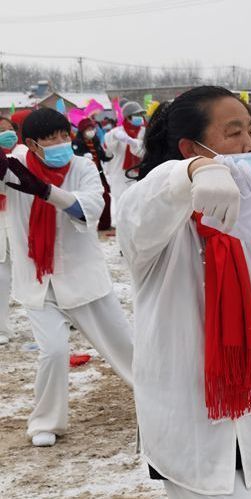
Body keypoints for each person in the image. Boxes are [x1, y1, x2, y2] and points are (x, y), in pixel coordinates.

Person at [117, 86, 251, 498]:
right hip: (190, 418)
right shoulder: (158, 217)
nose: (249, 143)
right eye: (233, 132)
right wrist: (191, 173)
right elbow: (139, 210)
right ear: (190, 147)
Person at [0, 108, 133, 446]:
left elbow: (88, 208)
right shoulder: (16, 163)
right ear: (32, 143)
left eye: (64, 135)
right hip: (37, 281)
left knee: (126, 348)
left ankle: (162, 400)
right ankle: (46, 421)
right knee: (54, 351)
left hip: (83, 278)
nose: (61, 143)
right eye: (51, 139)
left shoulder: (82, 166)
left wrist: (46, 192)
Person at [0, 116, 26, 345]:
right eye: (1, 131)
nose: (6, 134)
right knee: (1, 274)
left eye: (9, 130)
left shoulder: (23, 152)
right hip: (1, 220)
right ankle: (2, 327)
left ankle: (65, 315)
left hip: (21, 217)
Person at [104, 101, 145, 224]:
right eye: (136, 114)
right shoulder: (117, 131)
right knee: (121, 200)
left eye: (140, 114)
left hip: (138, 171)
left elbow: (145, 151)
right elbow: (108, 149)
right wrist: (114, 137)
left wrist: (132, 142)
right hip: (120, 172)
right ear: (128, 117)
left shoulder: (144, 131)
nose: (139, 117)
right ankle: (122, 226)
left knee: (138, 201)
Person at [72, 118, 114, 231]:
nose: (92, 131)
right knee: (86, 202)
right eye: (88, 129)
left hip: (98, 174)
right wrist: (82, 157)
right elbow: (73, 156)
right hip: (84, 177)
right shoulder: (76, 143)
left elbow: (102, 156)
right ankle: (83, 226)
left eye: (92, 128)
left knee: (106, 198)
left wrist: (109, 154)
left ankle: (104, 225)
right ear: (82, 130)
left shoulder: (95, 141)